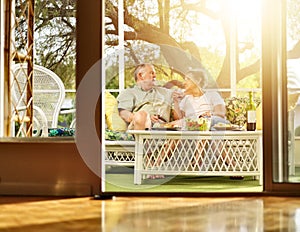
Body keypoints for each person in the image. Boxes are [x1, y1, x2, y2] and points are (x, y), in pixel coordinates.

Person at [117, 63, 181, 130]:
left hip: (164, 127)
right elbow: (123, 113)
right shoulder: (129, 93)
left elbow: (178, 116)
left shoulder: (166, 92)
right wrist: (147, 118)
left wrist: (177, 100)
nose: (155, 75)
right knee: (141, 115)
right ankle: (143, 137)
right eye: (151, 73)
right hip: (142, 127)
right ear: (140, 75)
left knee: (183, 122)